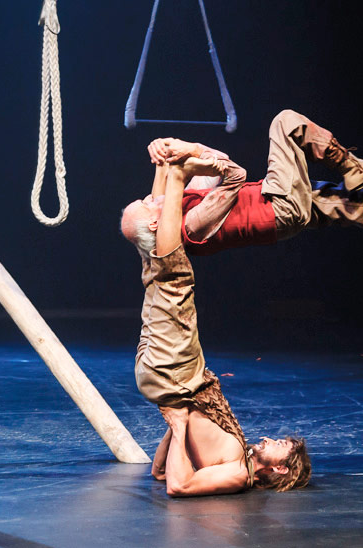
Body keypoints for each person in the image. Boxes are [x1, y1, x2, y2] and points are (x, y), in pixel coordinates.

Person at [131, 156, 311, 496]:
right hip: (176, 379)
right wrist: (177, 426)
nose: (271, 438)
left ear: (280, 468)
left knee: (173, 277)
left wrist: (182, 425)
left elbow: (178, 486)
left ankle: (174, 174)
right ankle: (165, 171)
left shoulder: (240, 476)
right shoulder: (239, 455)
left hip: (179, 378)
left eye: (281, 444)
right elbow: (158, 473)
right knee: (158, 272)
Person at [121, 109, 363, 257]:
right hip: (278, 207)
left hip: (282, 216)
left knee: (352, 205)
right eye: (146, 202)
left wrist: (168, 149)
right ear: (154, 221)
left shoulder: (170, 217)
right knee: (285, 122)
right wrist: (191, 153)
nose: (151, 197)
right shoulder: (189, 228)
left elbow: (168, 185)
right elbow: (234, 174)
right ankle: (352, 166)